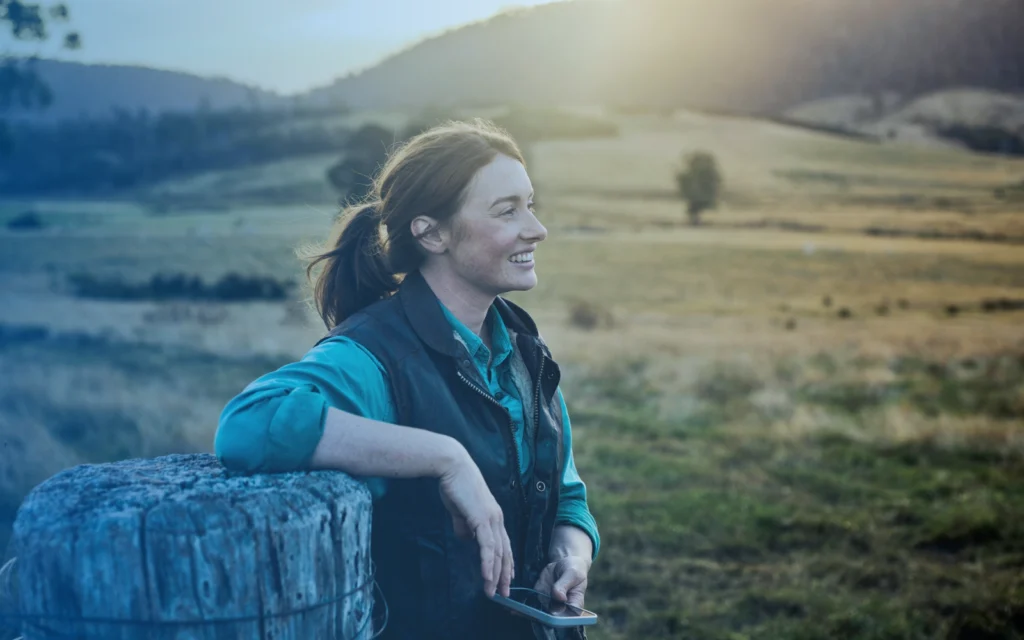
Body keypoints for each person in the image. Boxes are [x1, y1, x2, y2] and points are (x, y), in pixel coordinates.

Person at [214, 119, 599, 640]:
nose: (536, 228)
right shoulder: (373, 357)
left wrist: (570, 555)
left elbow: (567, 496)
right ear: (431, 232)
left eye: (531, 205)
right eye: (507, 211)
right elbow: (247, 425)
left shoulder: (524, 351)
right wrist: (445, 458)